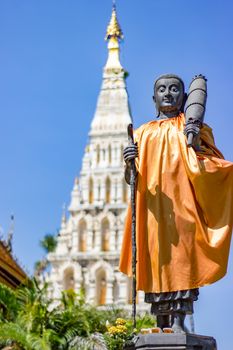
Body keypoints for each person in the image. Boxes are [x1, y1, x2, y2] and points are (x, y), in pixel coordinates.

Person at [119, 74, 233, 332]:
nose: (167, 93)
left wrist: (194, 143)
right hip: (152, 211)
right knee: (155, 263)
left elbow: (210, 162)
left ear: (183, 97)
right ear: (154, 98)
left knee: (181, 262)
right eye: (162, 89)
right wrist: (128, 162)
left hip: (183, 208)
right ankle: (161, 323)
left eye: (174, 89)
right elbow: (131, 179)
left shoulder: (190, 128)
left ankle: (180, 321)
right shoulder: (142, 133)